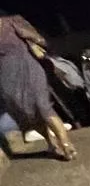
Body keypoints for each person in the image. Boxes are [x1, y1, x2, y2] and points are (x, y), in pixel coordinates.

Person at [0, 13, 75, 159]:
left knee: (43, 106)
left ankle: (66, 144)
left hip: (28, 67)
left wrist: (33, 39)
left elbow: (40, 39)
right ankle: (51, 143)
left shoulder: (12, 21)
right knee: (28, 113)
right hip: (7, 77)